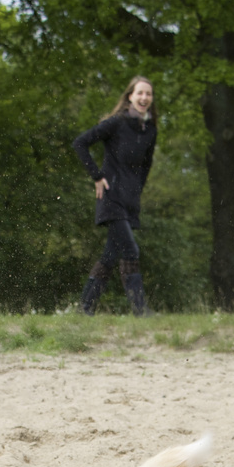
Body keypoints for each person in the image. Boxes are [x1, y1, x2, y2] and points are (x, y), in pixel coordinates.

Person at [71, 76, 158, 315]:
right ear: (130, 96)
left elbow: (146, 166)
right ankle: (141, 310)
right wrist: (97, 176)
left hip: (130, 201)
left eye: (148, 94)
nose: (144, 98)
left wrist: (137, 190)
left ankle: (85, 308)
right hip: (110, 196)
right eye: (140, 93)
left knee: (110, 255)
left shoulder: (150, 130)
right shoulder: (116, 123)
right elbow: (80, 143)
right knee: (130, 250)